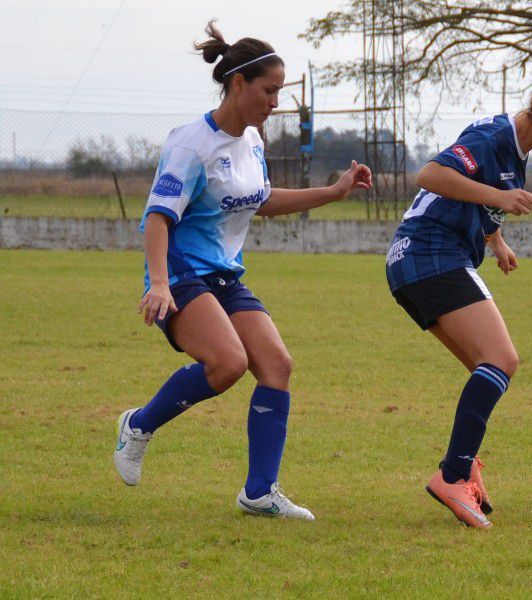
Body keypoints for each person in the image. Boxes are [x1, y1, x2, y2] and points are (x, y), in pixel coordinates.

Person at [113, 21, 372, 519]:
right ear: (238, 84)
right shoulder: (191, 144)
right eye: (269, 91)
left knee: (277, 365)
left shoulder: (252, 143)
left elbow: (262, 201)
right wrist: (160, 283)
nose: (276, 102)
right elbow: (157, 218)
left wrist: (334, 192)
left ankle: (259, 492)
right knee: (228, 364)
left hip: (226, 278)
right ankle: (138, 425)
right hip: (182, 275)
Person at [385, 46, 532, 528]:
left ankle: (461, 468)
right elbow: (432, 175)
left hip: (420, 260)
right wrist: (500, 196)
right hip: (429, 253)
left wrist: (496, 239)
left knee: (488, 371)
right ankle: (452, 475)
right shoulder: (491, 135)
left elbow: (480, 200)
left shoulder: (514, 152)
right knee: (502, 360)